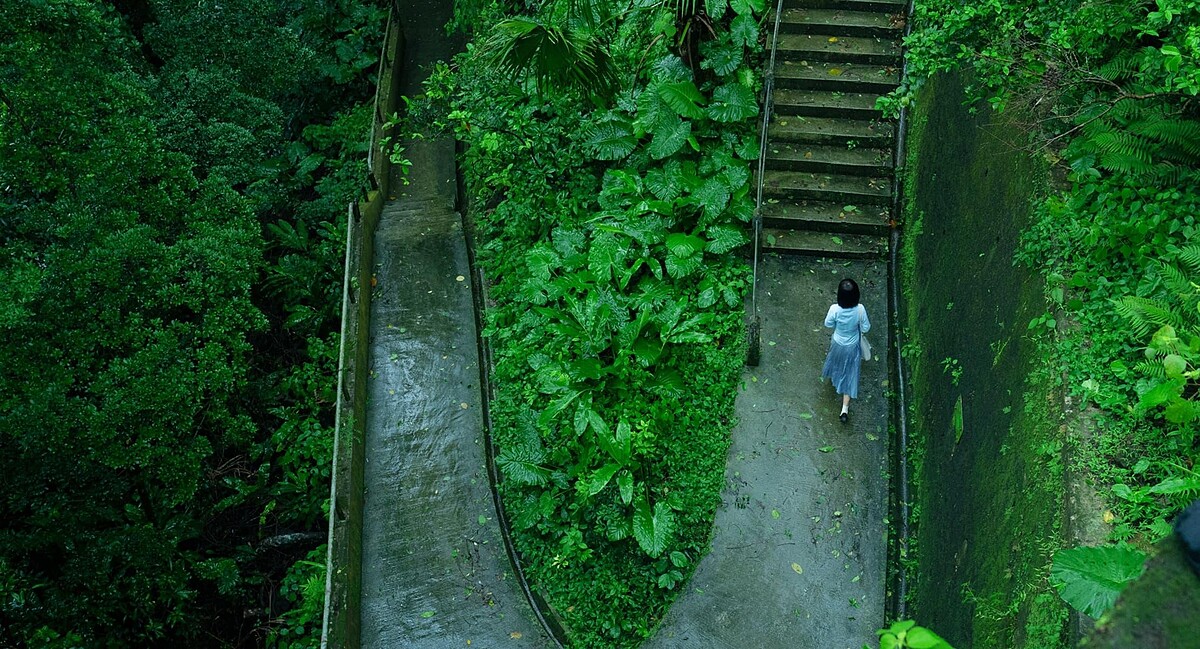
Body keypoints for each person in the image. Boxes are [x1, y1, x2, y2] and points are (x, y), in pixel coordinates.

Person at [822, 278, 870, 423]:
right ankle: (844, 409)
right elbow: (866, 327)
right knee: (850, 373)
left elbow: (828, 323)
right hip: (852, 345)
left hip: (837, 342)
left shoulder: (834, 309)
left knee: (834, 361)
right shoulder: (860, 309)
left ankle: (834, 378)